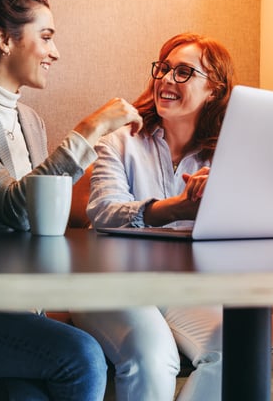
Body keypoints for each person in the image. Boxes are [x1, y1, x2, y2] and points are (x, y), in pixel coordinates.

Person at [0, 0, 142, 400]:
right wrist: (92, 127)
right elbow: (14, 206)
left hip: (21, 311)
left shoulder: (32, 122)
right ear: (5, 40)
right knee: (81, 355)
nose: (55, 52)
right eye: (45, 37)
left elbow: (41, 226)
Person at [71, 33, 235, 400]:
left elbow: (242, 235)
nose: (165, 79)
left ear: (214, 91)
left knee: (234, 354)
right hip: (112, 283)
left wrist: (223, 199)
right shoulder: (119, 140)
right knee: (152, 356)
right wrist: (175, 208)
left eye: (183, 72)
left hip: (186, 289)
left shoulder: (226, 157)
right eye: (163, 68)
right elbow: (104, 213)